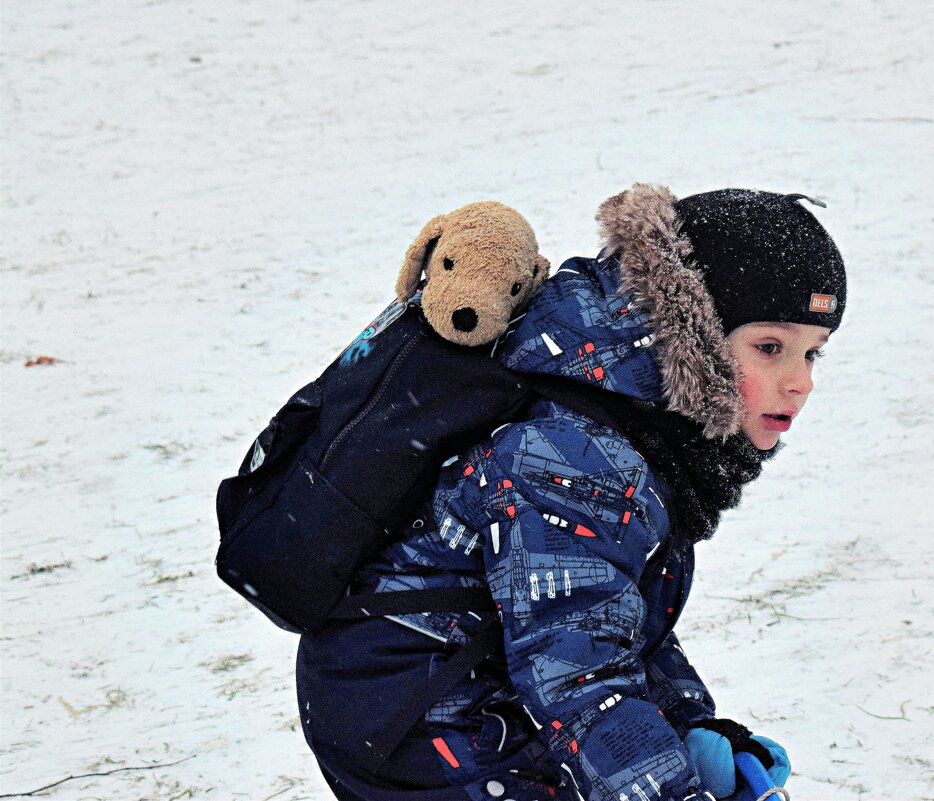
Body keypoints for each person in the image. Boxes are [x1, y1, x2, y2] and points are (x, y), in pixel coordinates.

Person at [296, 183, 847, 801]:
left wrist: (693, 726)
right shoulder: (576, 459)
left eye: (812, 355)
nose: (798, 383)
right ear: (690, 333)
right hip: (421, 720)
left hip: (456, 685)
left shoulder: (637, 423)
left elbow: (608, 621)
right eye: (769, 348)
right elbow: (578, 678)